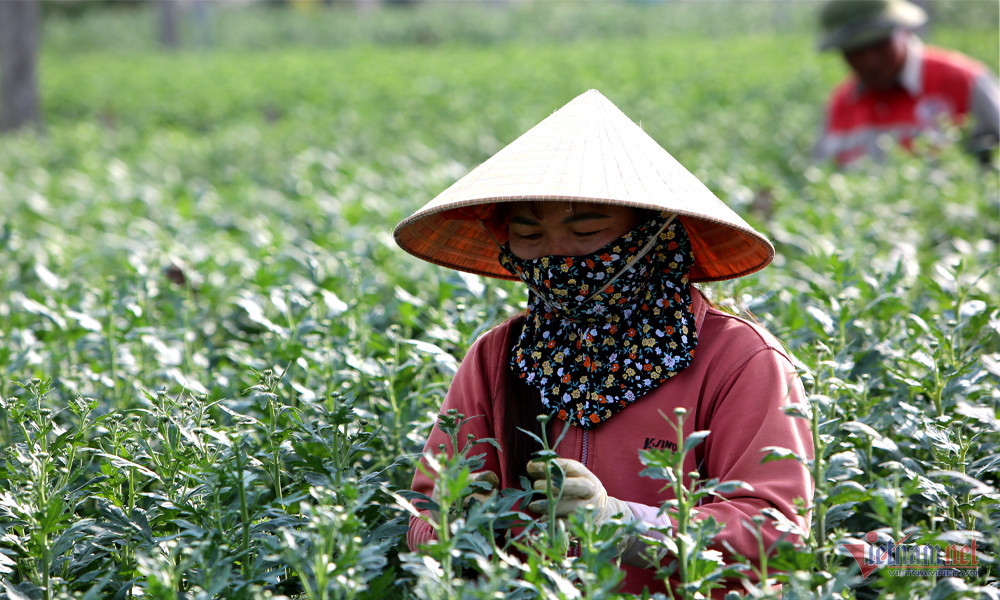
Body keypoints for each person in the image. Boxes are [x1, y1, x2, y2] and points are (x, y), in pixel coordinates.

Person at [394, 89, 814, 596]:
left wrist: (624, 523)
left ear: (654, 234)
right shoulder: (499, 356)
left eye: (587, 229)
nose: (558, 256)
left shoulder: (738, 359)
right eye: (529, 236)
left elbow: (775, 533)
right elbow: (424, 513)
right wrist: (460, 526)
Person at [813, 0, 1000, 167]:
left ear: (903, 30)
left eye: (879, 45)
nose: (870, 61)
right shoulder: (840, 105)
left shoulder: (964, 82)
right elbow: (823, 173)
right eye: (856, 51)